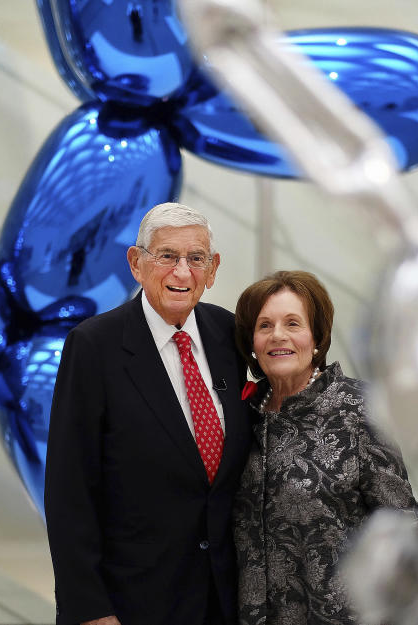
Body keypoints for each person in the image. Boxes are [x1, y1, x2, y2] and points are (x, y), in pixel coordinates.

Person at [44, 202, 252, 625]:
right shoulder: (93, 346)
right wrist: (90, 610)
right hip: (131, 604)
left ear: (212, 270)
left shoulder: (228, 334)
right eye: (167, 256)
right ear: (136, 264)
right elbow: (69, 491)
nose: (182, 272)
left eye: (195, 259)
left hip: (223, 601)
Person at [232, 270, 418, 625]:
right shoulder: (241, 415)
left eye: (293, 323)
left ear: (317, 337)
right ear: (252, 342)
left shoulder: (359, 407)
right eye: (265, 325)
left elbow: (404, 526)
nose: (278, 336)